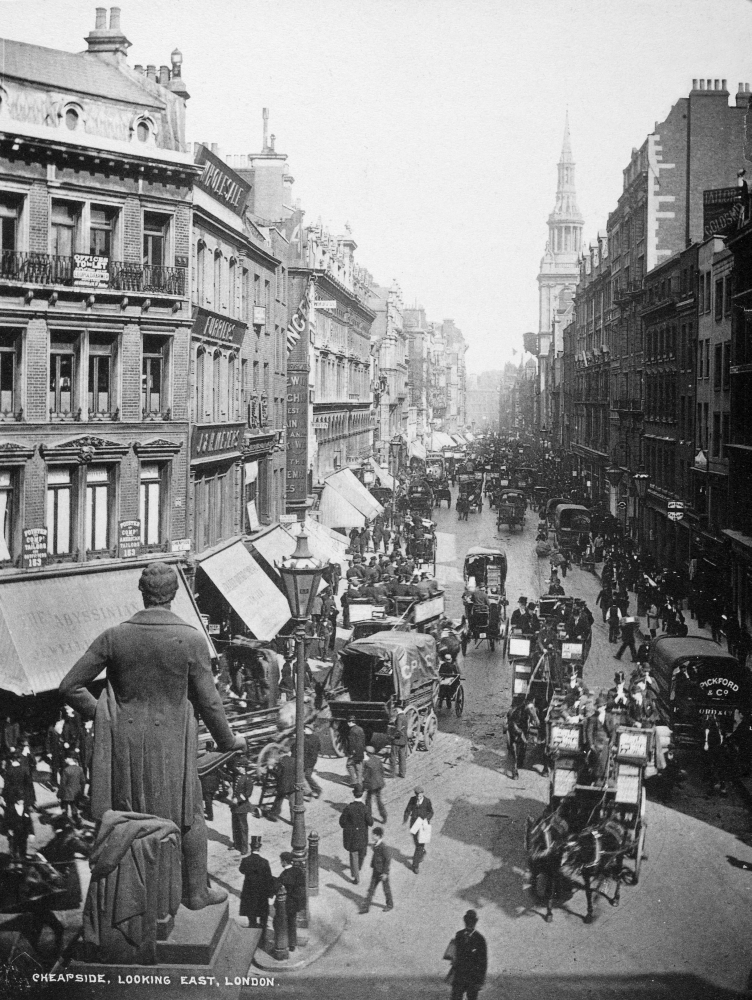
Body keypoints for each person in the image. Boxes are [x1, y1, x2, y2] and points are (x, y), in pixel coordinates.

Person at [59, 562, 245, 911]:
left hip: (124, 746)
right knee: (189, 816)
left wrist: (106, 716)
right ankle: (195, 891)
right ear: (174, 594)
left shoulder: (113, 636)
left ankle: (134, 897)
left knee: (130, 816)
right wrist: (227, 742)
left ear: (142, 592)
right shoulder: (191, 639)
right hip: (174, 744)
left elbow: (70, 686)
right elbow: (210, 702)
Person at [239, 836, 276, 940]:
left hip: (249, 893)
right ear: (259, 848)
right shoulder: (264, 862)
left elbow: (241, 870)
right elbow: (268, 878)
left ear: (251, 847)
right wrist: (270, 893)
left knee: (251, 917)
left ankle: (253, 937)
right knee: (263, 917)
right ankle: (262, 938)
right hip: (261, 893)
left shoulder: (246, 860)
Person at [447, 909, 487, 1000]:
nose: (469, 921)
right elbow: (452, 955)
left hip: (473, 977)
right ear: (464, 919)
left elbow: (483, 961)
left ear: (475, 921)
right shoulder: (459, 935)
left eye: (471, 919)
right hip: (459, 976)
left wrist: (480, 980)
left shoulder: (480, 939)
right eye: (468, 919)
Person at [339, 786, 374, 884]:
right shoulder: (365, 808)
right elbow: (371, 822)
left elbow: (342, 822)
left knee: (354, 854)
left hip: (352, 836)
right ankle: (358, 868)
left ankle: (356, 877)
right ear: (362, 795)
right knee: (362, 853)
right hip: (362, 836)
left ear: (353, 794)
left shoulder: (348, 808)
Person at [276, 852, 306, 951]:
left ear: (284, 861)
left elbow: (279, 886)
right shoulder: (298, 871)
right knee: (292, 923)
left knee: (281, 922)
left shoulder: (284, 875)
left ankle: (284, 942)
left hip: (287, 903)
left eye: (281, 861)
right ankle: (292, 943)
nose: (280, 863)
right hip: (296, 902)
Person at [360, 826, 393, 914]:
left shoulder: (383, 847)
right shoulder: (376, 844)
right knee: (371, 889)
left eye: (373, 835)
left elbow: (388, 859)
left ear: (378, 836)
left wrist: (385, 873)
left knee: (386, 889)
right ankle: (366, 907)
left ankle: (390, 905)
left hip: (382, 872)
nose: (372, 836)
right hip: (376, 870)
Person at [403, 785, 434, 874]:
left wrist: (427, 819)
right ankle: (422, 852)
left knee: (419, 846)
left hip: (423, 825)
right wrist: (405, 818)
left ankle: (415, 865)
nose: (418, 797)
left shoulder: (427, 801)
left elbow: (431, 812)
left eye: (420, 796)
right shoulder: (412, 800)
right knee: (417, 843)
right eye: (417, 796)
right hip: (414, 825)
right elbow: (407, 810)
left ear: (422, 794)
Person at [231, 758, 255, 853]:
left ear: (245, 768)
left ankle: (244, 848)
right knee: (235, 827)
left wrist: (238, 799)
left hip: (242, 807)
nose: (238, 768)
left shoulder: (248, 779)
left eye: (240, 766)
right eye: (238, 766)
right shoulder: (237, 776)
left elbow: (247, 794)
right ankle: (236, 844)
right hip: (235, 807)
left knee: (243, 828)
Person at [58, 753, 85, 825]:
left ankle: (65, 821)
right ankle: (77, 821)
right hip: (76, 793)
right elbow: (83, 781)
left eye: (66, 758)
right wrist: (81, 792)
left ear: (70, 759)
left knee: (64, 807)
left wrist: (59, 795)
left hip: (67, 794)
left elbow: (62, 784)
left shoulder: (66, 770)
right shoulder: (80, 769)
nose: (65, 759)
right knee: (74, 808)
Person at [363, 745, 388, 823]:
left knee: (368, 800)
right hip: (379, 783)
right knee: (379, 800)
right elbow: (382, 771)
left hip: (371, 785)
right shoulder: (377, 760)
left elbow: (366, 776)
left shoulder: (367, 763)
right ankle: (384, 816)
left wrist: (364, 786)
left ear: (367, 753)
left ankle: (368, 817)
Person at [268, 752, 295, 824]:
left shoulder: (281, 762)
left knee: (279, 800)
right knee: (292, 802)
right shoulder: (294, 760)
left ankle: (273, 814)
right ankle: (293, 819)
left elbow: (278, 775)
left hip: (283, 785)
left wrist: (271, 770)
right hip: (293, 785)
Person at [200, 741, 221, 821]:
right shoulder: (216, 756)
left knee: (207, 799)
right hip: (215, 781)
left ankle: (210, 816)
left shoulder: (206, 757)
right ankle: (208, 811)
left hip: (207, 782)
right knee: (210, 798)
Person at [345, 716, 366, 788]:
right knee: (358, 767)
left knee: (349, 765)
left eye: (348, 722)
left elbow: (351, 743)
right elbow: (363, 741)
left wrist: (350, 753)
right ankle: (360, 783)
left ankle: (353, 782)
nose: (347, 723)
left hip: (354, 753)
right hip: (360, 751)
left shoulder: (352, 730)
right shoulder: (360, 729)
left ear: (351, 722)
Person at [390, 703, 408, 778]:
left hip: (397, 741)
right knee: (402, 758)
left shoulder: (399, 717)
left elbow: (398, 730)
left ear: (398, 709)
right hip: (403, 741)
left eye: (396, 709)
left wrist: (392, 737)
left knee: (393, 757)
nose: (396, 710)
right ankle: (402, 773)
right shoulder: (405, 716)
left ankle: (393, 774)